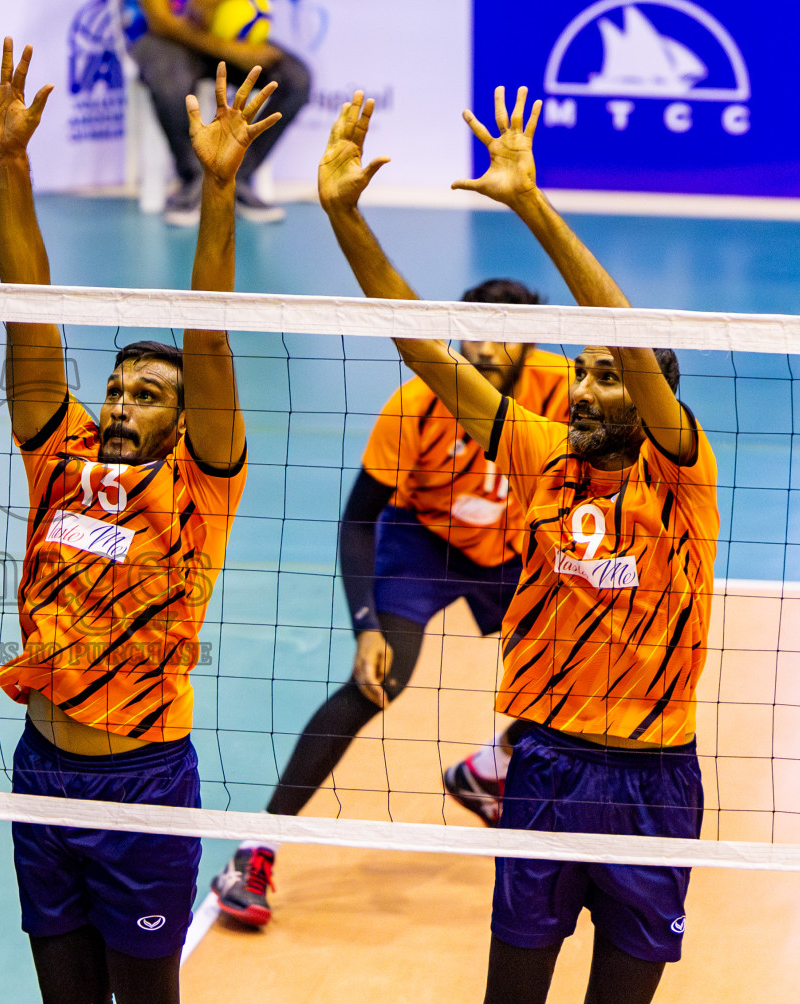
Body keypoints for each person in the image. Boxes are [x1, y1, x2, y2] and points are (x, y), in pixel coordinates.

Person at [210, 91, 572, 927]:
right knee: (378, 683)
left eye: (501, 334)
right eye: (470, 331)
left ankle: (489, 768)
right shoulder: (415, 405)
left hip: (515, 551)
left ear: (527, 344)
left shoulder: (560, 396)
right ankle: (255, 849)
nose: (482, 346)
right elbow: (355, 518)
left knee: (574, 662)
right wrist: (367, 620)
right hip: (421, 543)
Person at [396, 86, 714, 1004]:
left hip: (657, 781)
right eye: (578, 370)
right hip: (545, 766)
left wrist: (533, 206)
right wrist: (341, 214)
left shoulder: (679, 480)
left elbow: (632, 340)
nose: (581, 384)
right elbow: (420, 348)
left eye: (606, 375)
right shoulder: (542, 455)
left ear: (649, 398)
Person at [0, 38, 273, 1004]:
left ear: (183, 421)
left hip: (142, 781)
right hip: (43, 772)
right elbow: (30, 313)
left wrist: (219, 189)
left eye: (146, 394)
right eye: (115, 388)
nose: (119, 402)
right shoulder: (58, 455)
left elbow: (210, 338)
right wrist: (10, 165)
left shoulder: (201, 482)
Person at [121, 0, 310, 225]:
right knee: (171, 82)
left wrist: (225, 28)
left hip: (215, 35)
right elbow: (163, 23)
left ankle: (235, 177)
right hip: (158, 37)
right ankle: (195, 181)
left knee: (295, 79)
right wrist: (231, 50)